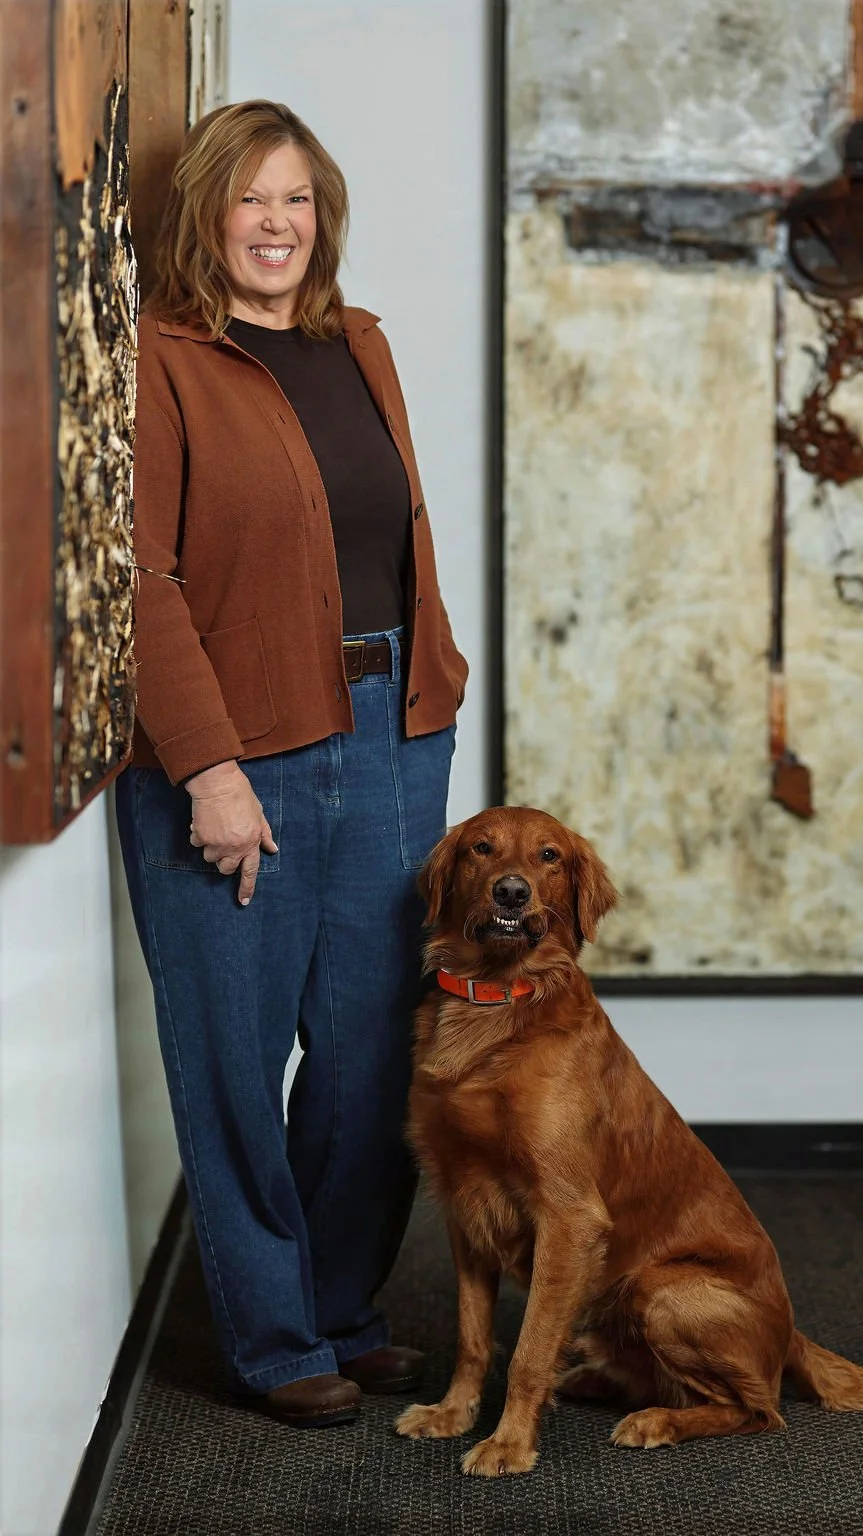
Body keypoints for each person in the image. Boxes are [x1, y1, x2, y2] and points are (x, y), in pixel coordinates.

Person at [116, 99, 468, 1429]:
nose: (277, 224)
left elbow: (390, 533)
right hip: (237, 748)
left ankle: (339, 1310)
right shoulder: (161, 359)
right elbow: (140, 578)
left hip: (391, 734)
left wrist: (432, 690)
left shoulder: (357, 344)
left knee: (376, 1058)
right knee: (236, 1056)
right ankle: (273, 1341)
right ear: (205, 216)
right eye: (251, 199)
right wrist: (206, 766)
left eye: (299, 200)